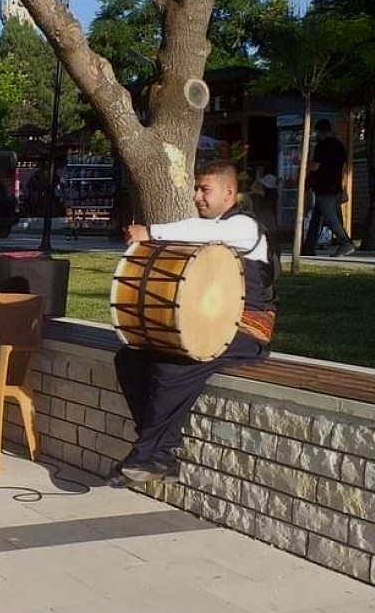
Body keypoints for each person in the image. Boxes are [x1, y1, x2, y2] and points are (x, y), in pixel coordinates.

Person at [112, 160, 277, 487]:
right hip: (216, 324)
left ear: (229, 192)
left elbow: (206, 231)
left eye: (205, 189)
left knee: (175, 366)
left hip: (249, 329)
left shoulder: (242, 226)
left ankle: (146, 452)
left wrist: (152, 232)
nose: (198, 196)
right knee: (130, 357)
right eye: (196, 189)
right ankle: (162, 454)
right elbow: (194, 229)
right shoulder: (209, 227)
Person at [300, 119, 355, 258]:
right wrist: (343, 188)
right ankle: (308, 247)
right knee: (317, 218)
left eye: (317, 132)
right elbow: (344, 168)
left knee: (330, 218)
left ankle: (345, 243)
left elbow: (315, 166)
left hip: (323, 186)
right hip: (335, 186)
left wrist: (303, 163)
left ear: (320, 132)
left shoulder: (321, 146)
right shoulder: (339, 146)